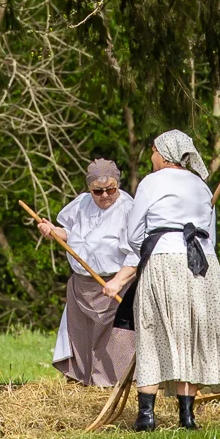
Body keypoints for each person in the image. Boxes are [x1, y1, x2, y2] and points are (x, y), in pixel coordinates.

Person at [99, 131, 220, 430]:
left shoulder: (151, 182)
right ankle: (187, 416)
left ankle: (146, 416)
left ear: (164, 153)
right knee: (191, 333)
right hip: (203, 264)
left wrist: (154, 244)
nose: (151, 157)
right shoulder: (201, 186)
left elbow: (132, 235)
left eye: (153, 151)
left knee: (153, 328)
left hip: (164, 260)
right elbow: (212, 236)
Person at [39, 159, 141, 386]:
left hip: (116, 284)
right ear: (89, 189)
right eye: (98, 191)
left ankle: (115, 386)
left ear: (118, 185)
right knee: (81, 337)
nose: (105, 195)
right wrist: (52, 231)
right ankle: (85, 383)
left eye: (110, 189)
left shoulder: (128, 209)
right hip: (82, 287)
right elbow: (68, 232)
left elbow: (136, 254)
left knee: (117, 339)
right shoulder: (82, 204)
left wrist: (117, 281)